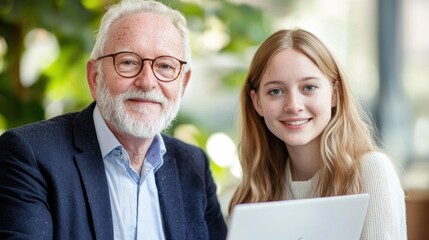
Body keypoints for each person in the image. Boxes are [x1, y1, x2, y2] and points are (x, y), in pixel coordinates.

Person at [0, 0, 227, 239]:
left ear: (183, 83)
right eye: (128, 62)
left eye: (165, 66)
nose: (148, 82)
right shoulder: (29, 156)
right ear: (94, 76)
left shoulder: (193, 166)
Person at [229, 28, 407, 239]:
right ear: (257, 101)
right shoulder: (253, 193)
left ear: (334, 94)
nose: (294, 105)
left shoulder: (371, 170)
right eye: (275, 91)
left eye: (309, 87)